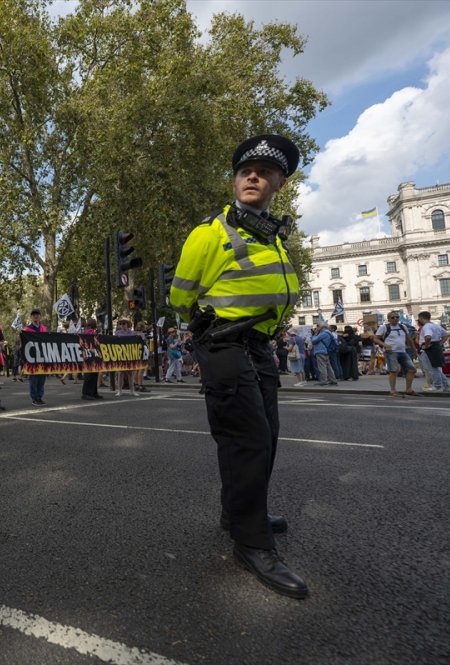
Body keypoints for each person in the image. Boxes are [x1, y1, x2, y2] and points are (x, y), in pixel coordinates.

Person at [170, 134, 308, 599]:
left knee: (266, 434)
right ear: (235, 180)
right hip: (223, 342)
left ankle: (239, 511)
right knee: (245, 438)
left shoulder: (272, 234)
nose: (254, 177)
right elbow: (180, 296)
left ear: (279, 184)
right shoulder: (209, 233)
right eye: (246, 171)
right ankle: (251, 543)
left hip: (260, 345)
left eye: (265, 172)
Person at [374, 312, 419, 398]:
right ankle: (393, 390)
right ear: (388, 319)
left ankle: (408, 389)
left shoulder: (403, 326)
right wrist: (385, 345)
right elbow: (375, 339)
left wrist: (414, 350)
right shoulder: (384, 327)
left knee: (412, 369)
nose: (395, 319)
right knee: (394, 371)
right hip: (391, 352)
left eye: (397, 317)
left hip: (402, 351)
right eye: (392, 317)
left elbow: (409, 339)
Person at [417, 311, 450, 393]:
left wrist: (426, 345)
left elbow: (428, 337)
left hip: (429, 349)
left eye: (419, 318)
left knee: (431, 368)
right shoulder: (436, 326)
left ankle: (437, 386)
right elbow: (446, 335)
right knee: (436, 368)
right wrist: (440, 343)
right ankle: (446, 386)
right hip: (436, 346)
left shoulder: (426, 327)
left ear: (421, 318)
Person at [24, 308, 48, 405]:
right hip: (32, 357)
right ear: (31, 317)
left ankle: (40, 397)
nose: (36, 316)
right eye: (34, 314)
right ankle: (34, 398)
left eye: (37, 314)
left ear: (40, 316)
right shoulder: (27, 329)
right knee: (33, 378)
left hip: (43, 356)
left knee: (42, 378)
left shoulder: (44, 328)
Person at [81, 317, 104, 399]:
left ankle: (92, 392)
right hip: (90, 355)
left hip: (91, 355)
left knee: (93, 374)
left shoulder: (87, 331)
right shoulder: (90, 332)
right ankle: (87, 393)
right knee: (90, 375)